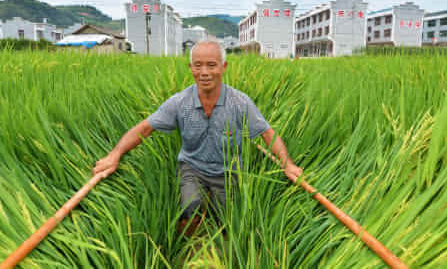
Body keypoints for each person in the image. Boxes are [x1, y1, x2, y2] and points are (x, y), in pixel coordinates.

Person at [92, 41, 302, 236]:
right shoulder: (180, 102)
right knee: (189, 209)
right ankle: (187, 248)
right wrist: (115, 154)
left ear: (223, 67)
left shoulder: (240, 102)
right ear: (190, 67)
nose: (204, 72)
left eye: (211, 65)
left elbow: (266, 132)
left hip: (228, 170)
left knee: (228, 222)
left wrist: (288, 164)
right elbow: (145, 128)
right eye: (198, 65)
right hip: (193, 167)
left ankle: (223, 250)